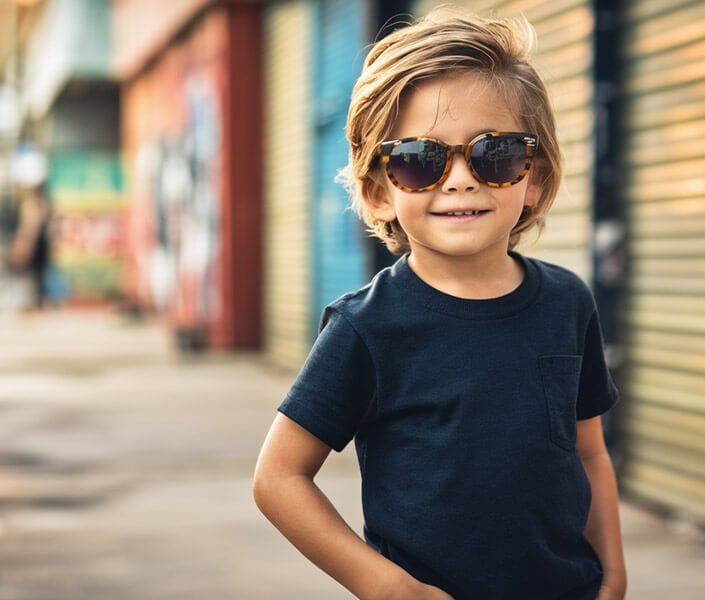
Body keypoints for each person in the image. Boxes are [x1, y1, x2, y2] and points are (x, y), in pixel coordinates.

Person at [253, 7, 627, 600]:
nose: (458, 179)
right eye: (419, 160)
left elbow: (589, 451)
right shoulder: (366, 327)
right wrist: (386, 586)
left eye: (495, 154)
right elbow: (279, 478)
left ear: (534, 177)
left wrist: (612, 573)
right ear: (378, 192)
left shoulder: (567, 301)